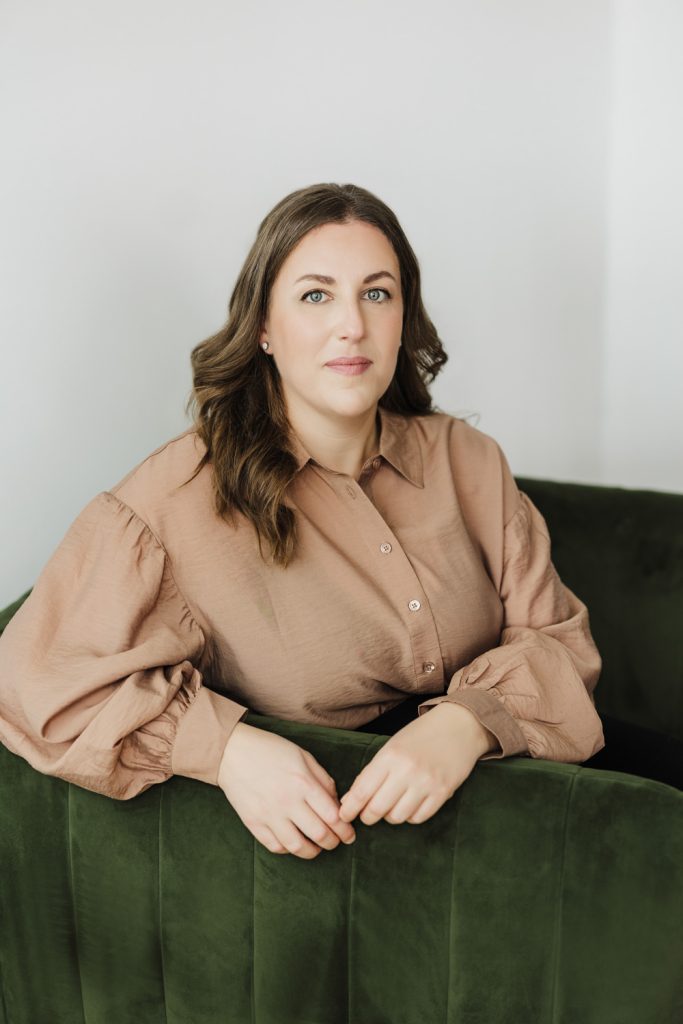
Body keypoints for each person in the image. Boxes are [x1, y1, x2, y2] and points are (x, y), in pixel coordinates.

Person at [0, 182, 605, 862]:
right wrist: (225, 749)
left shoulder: (466, 459)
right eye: (316, 295)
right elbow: (34, 682)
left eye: (376, 294)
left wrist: (465, 725)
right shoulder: (173, 500)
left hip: (515, 806)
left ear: (403, 316)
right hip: (341, 854)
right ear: (263, 326)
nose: (352, 325)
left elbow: (558, 641)